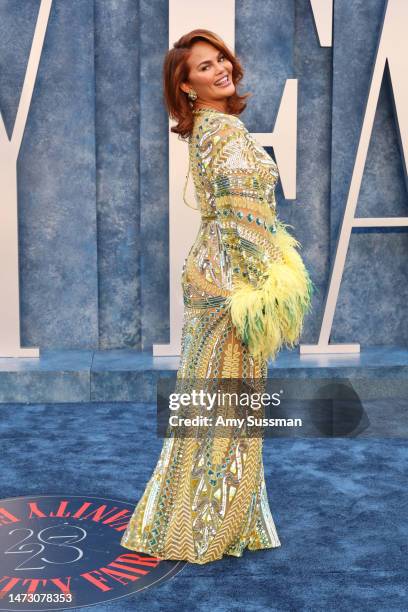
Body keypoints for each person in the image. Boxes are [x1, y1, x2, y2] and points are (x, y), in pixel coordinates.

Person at [120, 29, 314, 564]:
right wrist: (262, 286)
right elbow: (236, 213)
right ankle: (197, 528)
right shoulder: (220, 133)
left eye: (220, 59)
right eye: (204, 68)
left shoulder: (220, 126)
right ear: (185, 87)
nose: (220, 69)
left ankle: (220, 520)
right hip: (231, 283)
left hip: (224, 276)